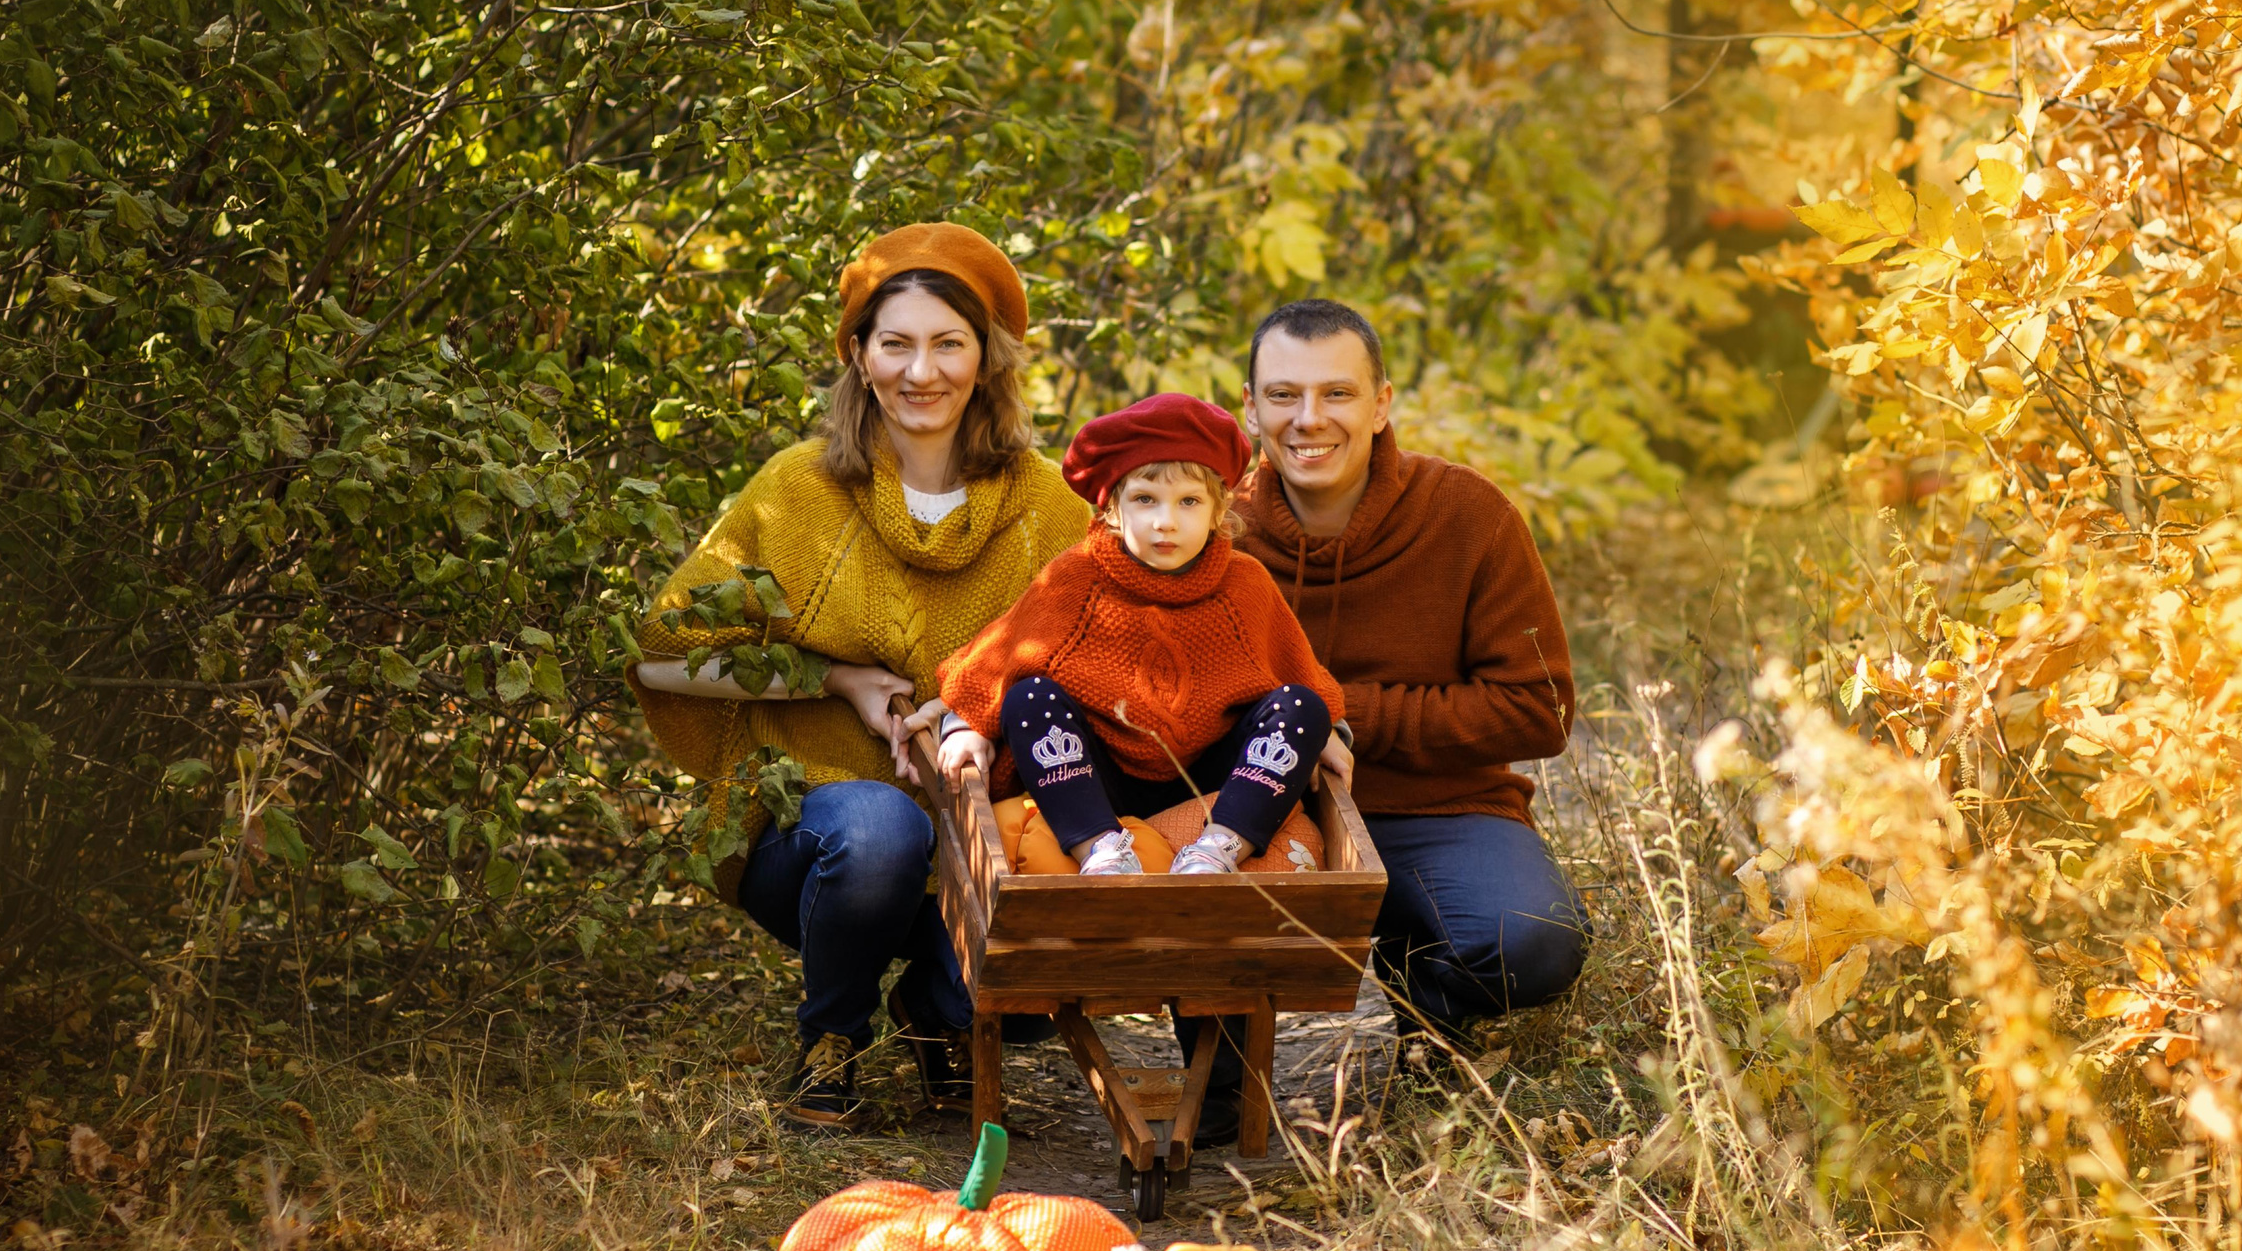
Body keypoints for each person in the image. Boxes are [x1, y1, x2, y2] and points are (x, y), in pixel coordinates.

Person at [628, 224, 1088, 1130]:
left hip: (972, 833)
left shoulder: (1042, 504)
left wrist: (973, 721)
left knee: (1050, 968)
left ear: (986, 357)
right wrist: (832, 679)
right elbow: (660, 651)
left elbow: (1111, 641)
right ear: (858, 354)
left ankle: (937, 1011)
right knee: (880, 831)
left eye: (949, 342)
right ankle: (830, 1034)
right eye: (898, 342)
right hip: (817, 836)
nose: (924, 370)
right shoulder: (799, 489)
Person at [1232, 298, 1591, 1071]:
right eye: (1284, 395)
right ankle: (1226, 1073)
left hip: (1437, 808)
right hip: (1251, 809)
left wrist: (1346, 711)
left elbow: (1543, 710)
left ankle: (1424, 997)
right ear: (1251, 409)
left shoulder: (1468, 515)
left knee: (1535, 938)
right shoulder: (1210, 525)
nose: (1309, 418)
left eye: (1337, 393)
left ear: (1382, 403)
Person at [932, 392, 1351, 878]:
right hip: (1097, 780)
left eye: (1189, 502)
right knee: (1029, 698)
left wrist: (1325, 731)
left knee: (1303, 707)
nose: (1165, 521)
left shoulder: (1244, 584)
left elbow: (1299, 669)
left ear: (1218, 511)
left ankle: (1217, 850)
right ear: (1111, 509)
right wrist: (966, 723)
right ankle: (1100, 851)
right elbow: (998, 657)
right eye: (1144, 499)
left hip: (1210, 782)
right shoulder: (1078, 578)